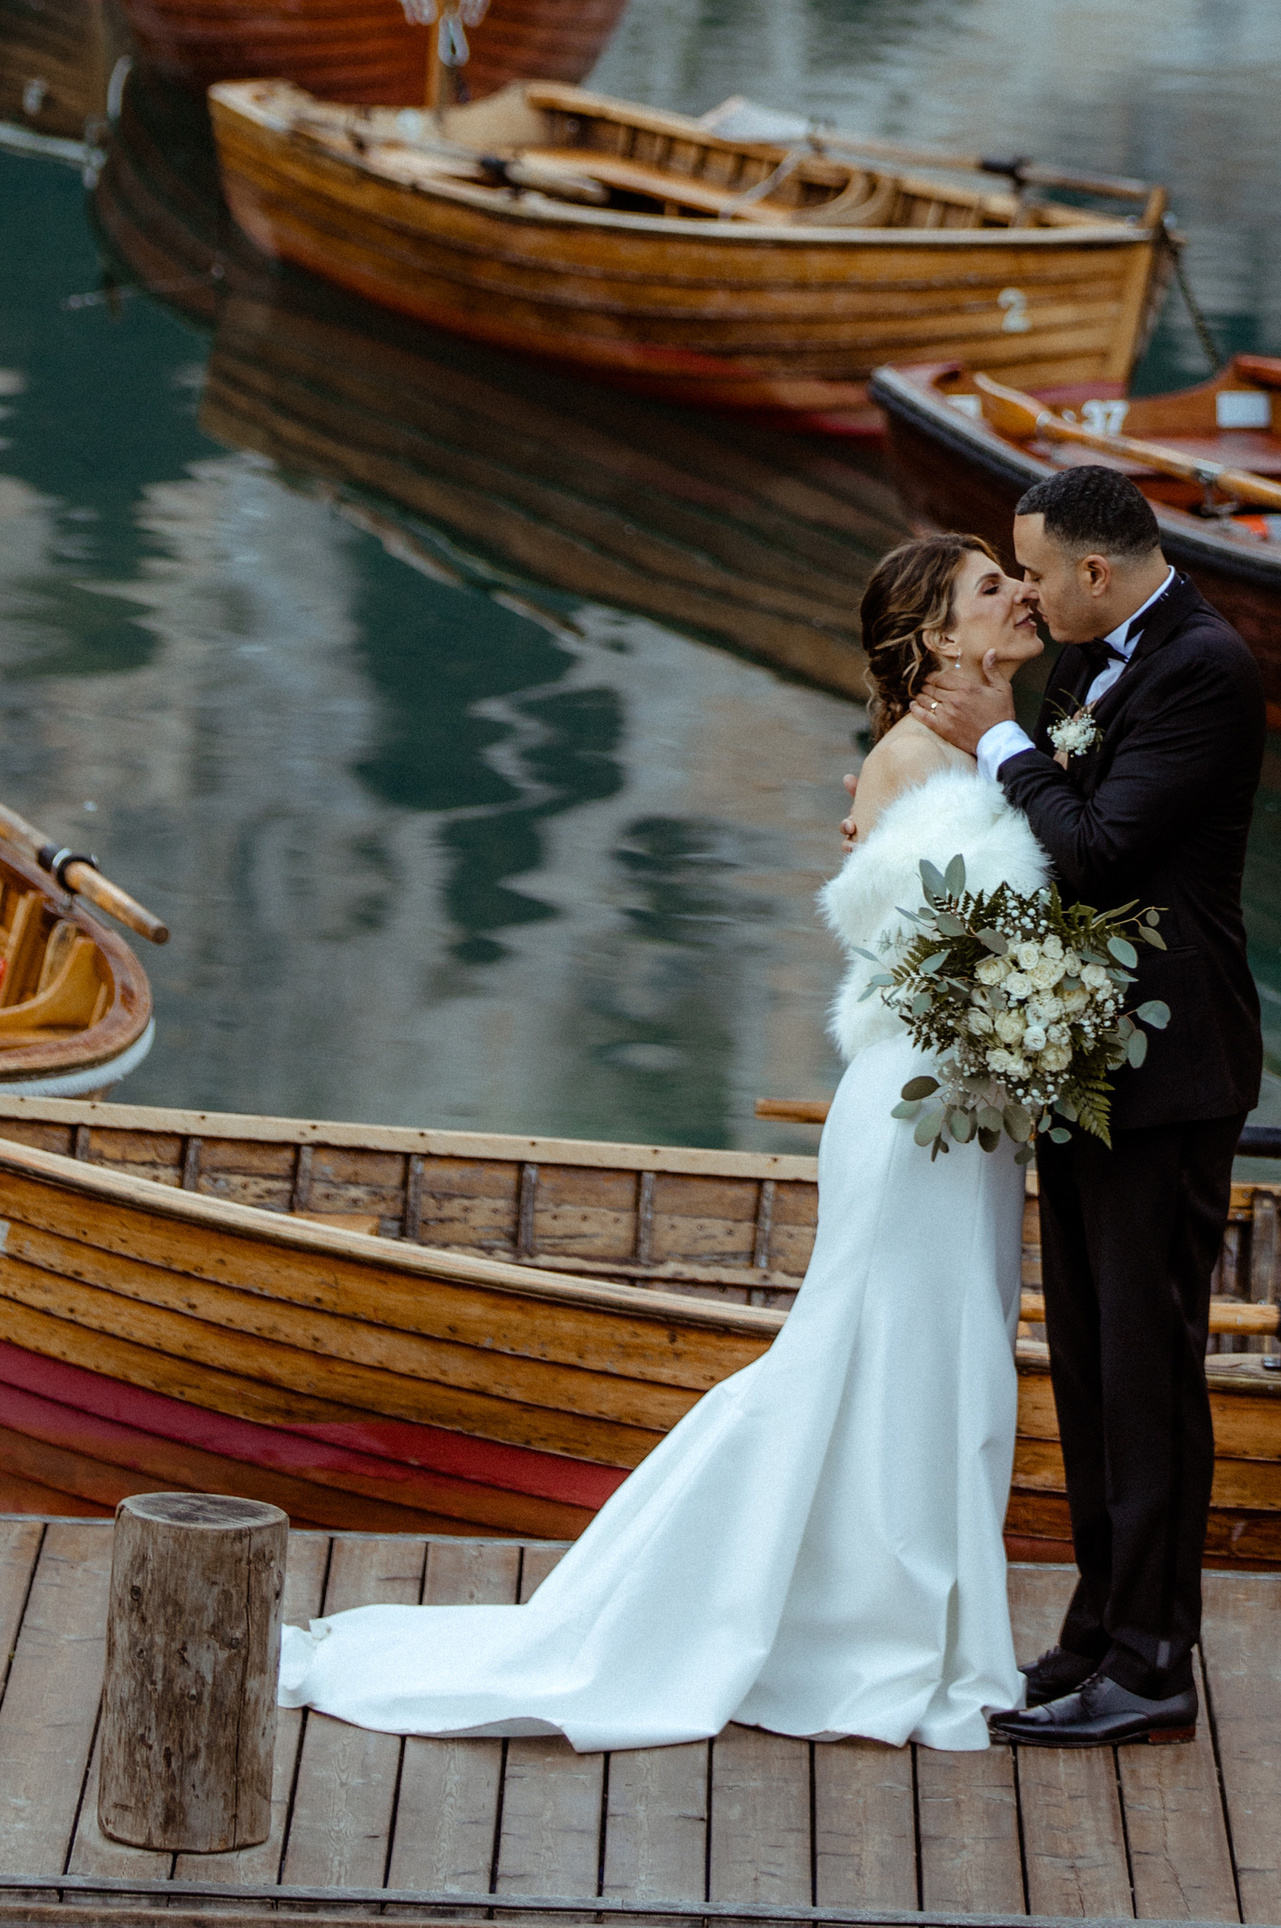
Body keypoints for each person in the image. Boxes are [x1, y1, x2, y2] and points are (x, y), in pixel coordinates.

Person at [278, 532, 1046, 1752]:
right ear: (940, 637)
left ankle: (909, 1621)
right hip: (922, 1113)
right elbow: (961, 962)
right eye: (994, 589)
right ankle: (854, 1634)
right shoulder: (912, 766)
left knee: (943, 1357)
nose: (1025, 596)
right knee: (886, 1354)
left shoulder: (975, 754)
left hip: (970, 1112)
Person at [912, 461, 1266, 1754]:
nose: (1028, 590)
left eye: (1039, 571)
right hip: (1085, 1061)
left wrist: (996, 736)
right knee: (1092, 1363)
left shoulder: (1204, 669)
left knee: (1151, 1365)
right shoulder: (1086, 665)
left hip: (1172, 1073)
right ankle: (1098, 1625)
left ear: (1097, 573)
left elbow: (1103, 845)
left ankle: (1157, 1659)